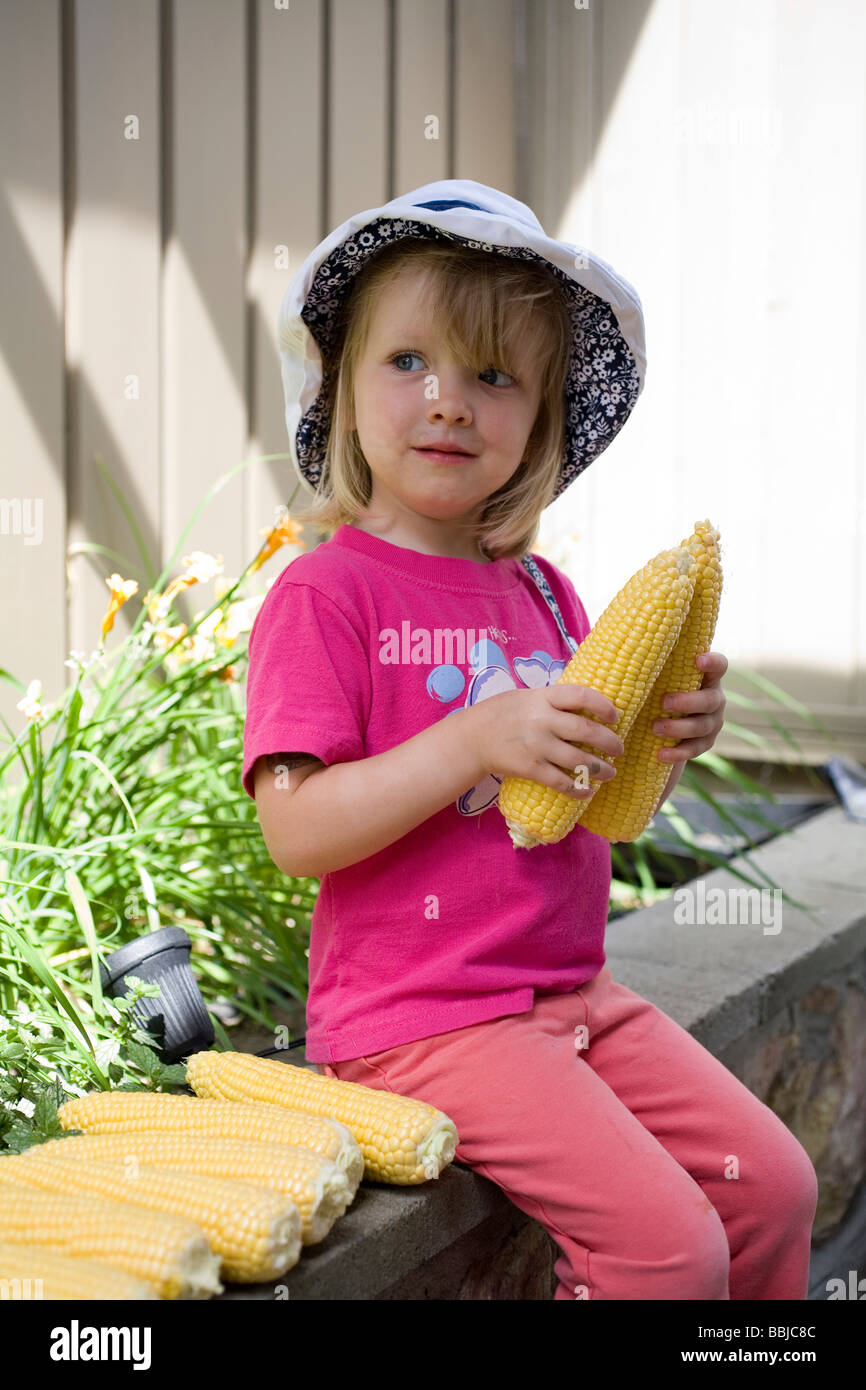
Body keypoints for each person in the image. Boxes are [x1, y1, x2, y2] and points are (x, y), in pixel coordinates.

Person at [242, 179, 818, 1300]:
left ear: (540, 419)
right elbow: (296, 832)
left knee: (777, 1186)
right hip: (423, 1018)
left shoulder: (542, 590)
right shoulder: (326, 596)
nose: (448, 402)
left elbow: (590, 796)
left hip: (568, 994)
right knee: (666, 1249)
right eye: (408, 362)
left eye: (493, 375)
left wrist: (663, 735)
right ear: (343, 390)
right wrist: (470, 741)